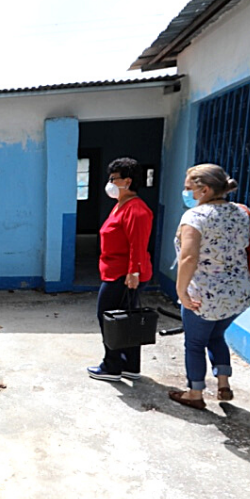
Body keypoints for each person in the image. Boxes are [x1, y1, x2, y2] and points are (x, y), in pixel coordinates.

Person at [168, 163, 250, 409]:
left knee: (194, 343)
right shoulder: (241, 212)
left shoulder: (195, 217)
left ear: (204, 189)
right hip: (239, 292)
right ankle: (223, 384)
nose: (187, 194)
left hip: (205, 295)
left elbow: (188, 257)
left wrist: (181, 291)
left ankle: (195, 394)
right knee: (217, 335)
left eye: (189, 189)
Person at [88, 157, 154, 382]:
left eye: (114, 179)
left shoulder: (136, 209)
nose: (110, 183)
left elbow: (138, 243)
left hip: (123, 275)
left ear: (128, 181)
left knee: (109, 318)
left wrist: (133, 272)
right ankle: (130, 365)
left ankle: (112, 365)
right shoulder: (121, 205)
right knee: (127, 318)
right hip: (116, 271)